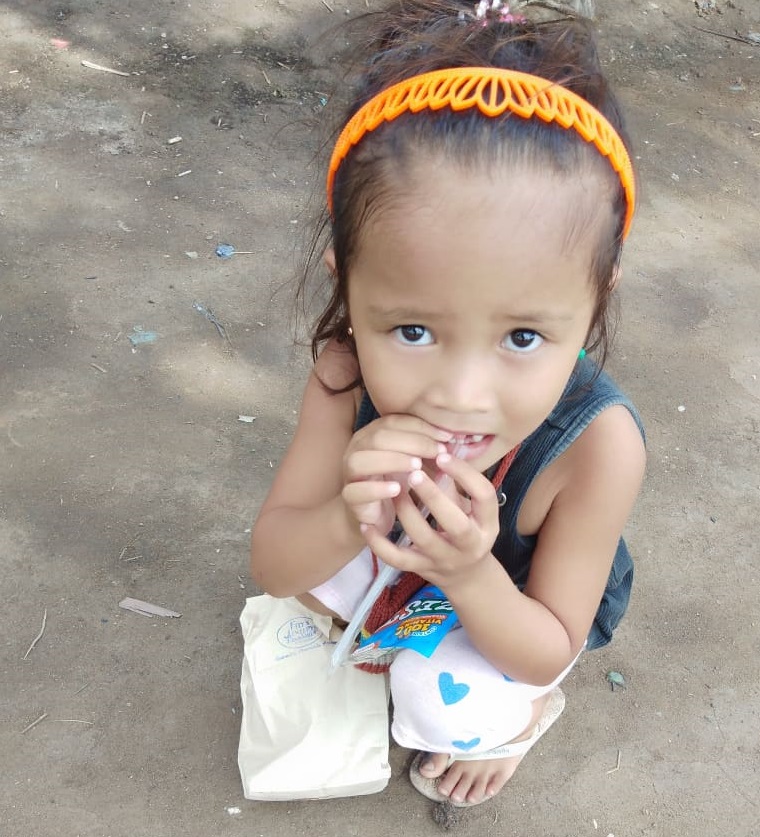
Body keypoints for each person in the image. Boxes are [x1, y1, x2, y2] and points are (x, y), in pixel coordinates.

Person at [251, 0, 646, 808]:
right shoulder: (342, 374)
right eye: (413, 329)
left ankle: (522, 721)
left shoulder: (598, 447)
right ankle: (398, 609)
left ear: (595, 301)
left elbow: (545, 644)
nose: (462, 397)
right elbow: (276, 568)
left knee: (440, 708)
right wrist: (348, 516)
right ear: (347, 286)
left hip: (517, 607)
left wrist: (465, 570)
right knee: (317, 582)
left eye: (523, 336)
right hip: (407, 554)